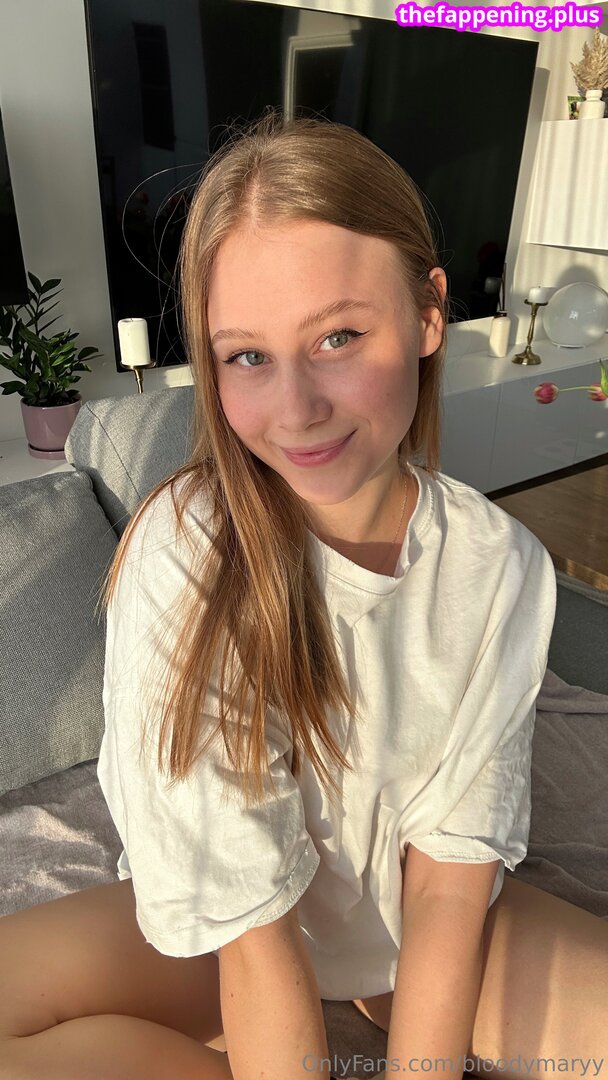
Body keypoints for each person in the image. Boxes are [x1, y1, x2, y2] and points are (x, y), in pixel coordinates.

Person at [0, 108, 606, 1080]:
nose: (296, 409)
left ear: (428, 313)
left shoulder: (500, 568)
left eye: (337, 336)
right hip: (221, 940)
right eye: (246, 355)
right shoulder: (184, 554)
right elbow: (250, 935)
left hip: (407, 922)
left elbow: (447, 894)